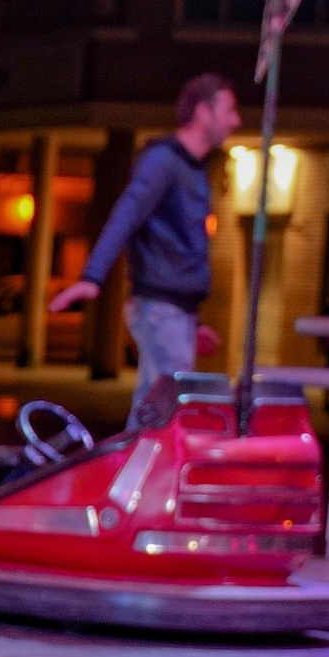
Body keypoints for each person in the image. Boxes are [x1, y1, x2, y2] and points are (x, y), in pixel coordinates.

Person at [50, 73, 241, 429]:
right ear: (203, 112)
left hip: (174, 311)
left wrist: (191, 320)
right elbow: (128, 211)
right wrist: (92, 276)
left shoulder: (194, 169)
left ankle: (129, 481)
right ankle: (134, 481)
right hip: (160, 310)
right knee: (168, 409)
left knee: (154, 409)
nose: (236, 120)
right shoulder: (163, 161)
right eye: (229, 110)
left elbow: (181, 246)